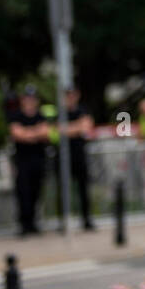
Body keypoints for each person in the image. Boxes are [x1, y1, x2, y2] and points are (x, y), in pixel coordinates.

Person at [50, 87, 96, 230]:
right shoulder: (59, 113)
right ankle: (63, 221)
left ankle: (87, 219)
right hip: (62, 156)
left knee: (83, 189)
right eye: (67, 96)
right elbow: (57, 130)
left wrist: (67, 129)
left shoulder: (83, 110)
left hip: (79, 155)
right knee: (62, 190)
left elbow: (86, 127)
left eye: (72, 95)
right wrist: (76, 127)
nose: (70, 98)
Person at [8, 86, 50, 236]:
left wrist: (28, 133)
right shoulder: (17, 116)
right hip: (22, 162)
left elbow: (46, 132)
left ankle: (33, 223)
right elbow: (17, 134)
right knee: (23, 193)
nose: (30, 102)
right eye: (27, 99)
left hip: (38, 160)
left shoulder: (41, 116)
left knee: (36, 192)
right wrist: (35, 133)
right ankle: (24, 225)